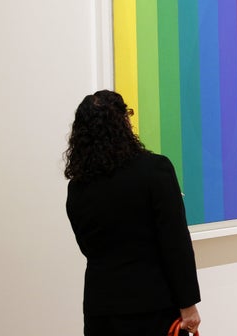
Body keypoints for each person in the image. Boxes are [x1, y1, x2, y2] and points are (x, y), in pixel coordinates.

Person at [64, 90, 201, 335]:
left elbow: (88, 246)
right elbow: (175, 243)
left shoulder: (77, 187)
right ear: (122, 123)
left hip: (100, 308)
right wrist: (188, 305)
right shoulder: (155, 170)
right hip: (152, 306)